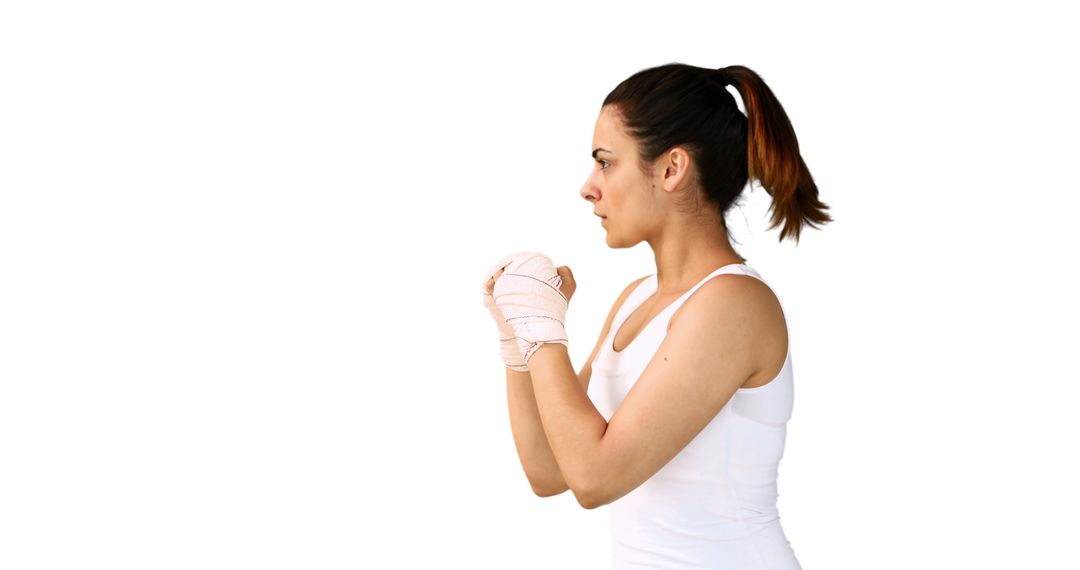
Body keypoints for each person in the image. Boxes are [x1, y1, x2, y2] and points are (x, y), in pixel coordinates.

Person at [481, 63, 831, 569]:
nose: (588, 186)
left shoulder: (732, 304)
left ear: (671, 169)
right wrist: (517, 343)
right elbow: (549, 469)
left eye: (606, 162)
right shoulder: (635, 300)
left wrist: (545, 331)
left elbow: (594, 478)